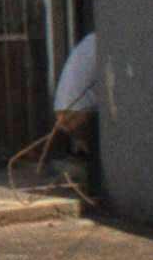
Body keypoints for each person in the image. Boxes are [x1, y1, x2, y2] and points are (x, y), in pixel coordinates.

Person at [10, 29, 101, 192]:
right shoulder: (103, 42)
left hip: (63, 108)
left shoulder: (88, 41)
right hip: (80, 110)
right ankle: (97, 187)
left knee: (88, 148)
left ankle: (86, 171)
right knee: (98, 153)